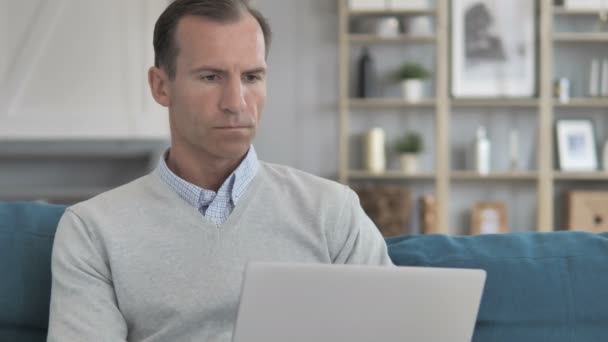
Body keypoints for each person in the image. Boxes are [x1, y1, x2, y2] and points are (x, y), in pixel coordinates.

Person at [47, 0, 392, 341]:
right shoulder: (92, 231)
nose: (236, 102)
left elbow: (395, 328)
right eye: (211, 77)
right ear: (160, 86)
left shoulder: (332, 211)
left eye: (252, 77)